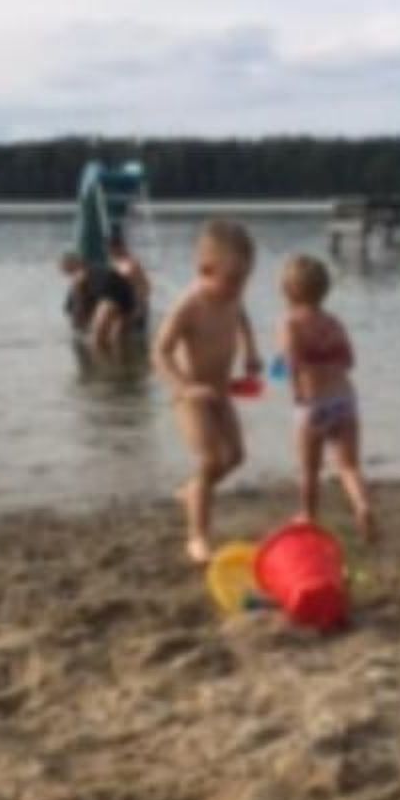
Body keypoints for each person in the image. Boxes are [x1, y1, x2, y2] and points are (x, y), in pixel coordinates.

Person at [153, 220, 262, 564]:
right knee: (211, 460)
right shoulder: (190, 305)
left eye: (244, 280)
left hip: (221, 389)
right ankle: (197, 537)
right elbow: (160, 352)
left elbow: (241, 317)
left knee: (236, 456)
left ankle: (193, 490)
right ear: (205, 269)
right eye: (233, 280)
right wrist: (185, 388)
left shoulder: (233, 297)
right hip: (191, 396)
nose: (238, 289)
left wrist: (251, 351)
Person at [277, 253, 376, 543]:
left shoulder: (290, 323)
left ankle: (309, 516)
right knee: (348, 466)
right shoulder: (334, 322)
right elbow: (349, 361)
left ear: (288, 291)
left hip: (313, 404)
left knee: (310, 470)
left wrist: (296, 392)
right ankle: (362, 504)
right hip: (344, 399)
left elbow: (292, 364)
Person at [59, 249, 146, 358]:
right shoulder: (93, 271)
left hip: (111, 296)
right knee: (117, 340)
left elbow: (78, 311)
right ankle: (118, 362)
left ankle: (104, 364)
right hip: (125, 297)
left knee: (97, 340)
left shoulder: (81, 278)